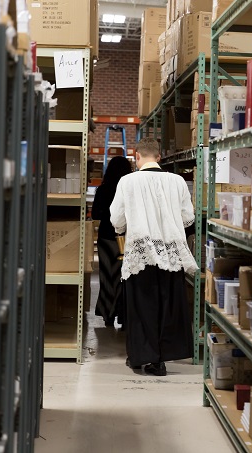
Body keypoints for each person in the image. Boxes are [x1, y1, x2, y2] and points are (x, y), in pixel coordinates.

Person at [109, 138, 197, 376]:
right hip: (171, 252)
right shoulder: (177, 181)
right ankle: (160, 361)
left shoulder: (127, 181)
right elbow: (188, 217)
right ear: (159, 157)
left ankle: (140, 357)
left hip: (140, 253)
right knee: (168, 306)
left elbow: (116, 219)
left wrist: (125, 229)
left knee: (141, 307)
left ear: (136, 157)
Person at [91, 156, 133, 327]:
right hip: (127, 237)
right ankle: (124, 316)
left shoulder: (103, 189)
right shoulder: (130, 190)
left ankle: (108, 314)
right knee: (127, 276)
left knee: (107, 276)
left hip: (107, 237)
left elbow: (95, 215)